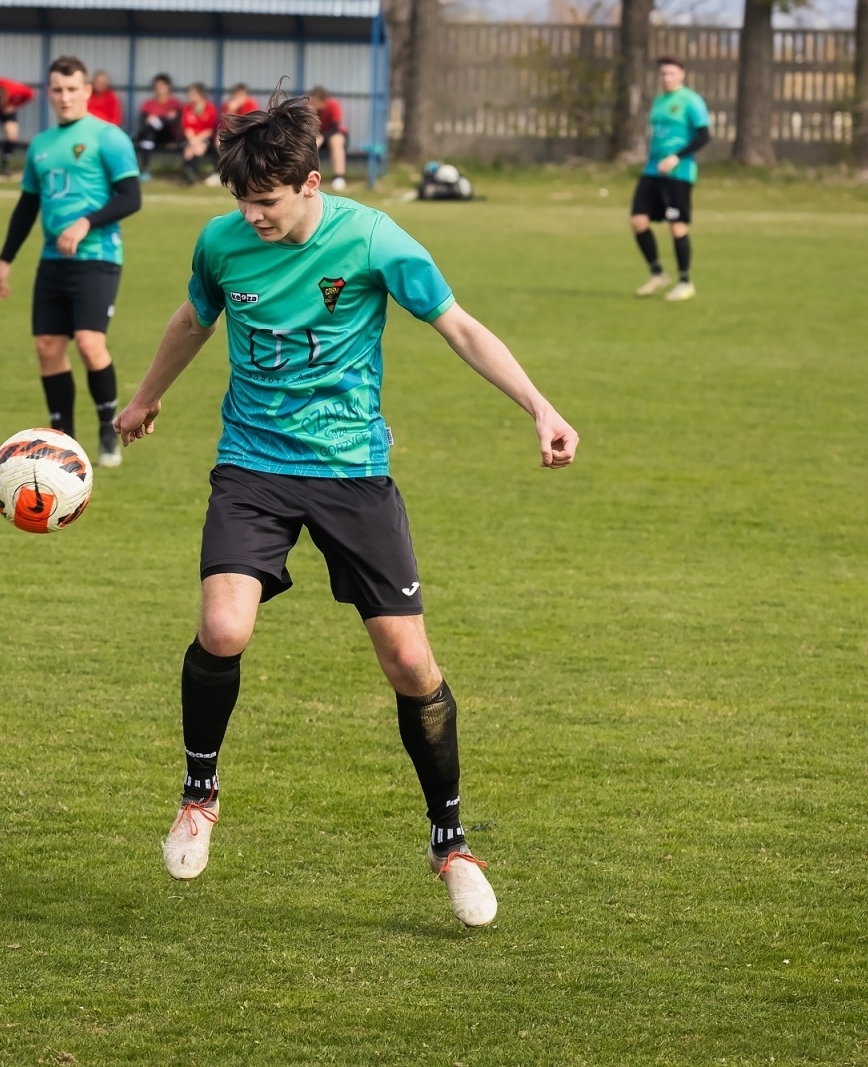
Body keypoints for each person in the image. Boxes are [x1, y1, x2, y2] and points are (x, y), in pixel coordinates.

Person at [112, 90, 579, 927]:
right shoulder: (222, 242)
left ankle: (452, 842)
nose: (250, 217)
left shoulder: (370, 238)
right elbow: (194, 317)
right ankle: (198, 795)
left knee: (409, 664)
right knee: (223, 628)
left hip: (351, 472)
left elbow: (459, 326)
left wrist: (539, 407)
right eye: (240, 201)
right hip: (251, 464)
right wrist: (145, 397)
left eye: (266, 201)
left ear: (310, 182)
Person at [0, 57, 143, 468]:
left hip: (98, 258)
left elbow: (131, 196)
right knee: (47, 348)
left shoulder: (107, 137)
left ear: (86, 91)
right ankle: (64, 441)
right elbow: (27, 206)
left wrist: (85, 222)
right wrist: (5, 260)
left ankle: (107, 431)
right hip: (52, 261)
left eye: (72, 89)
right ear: (49, 92)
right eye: (57, 89)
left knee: (91, 345)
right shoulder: (40, 145)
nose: (64, 97)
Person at [630, 56, 711, 302]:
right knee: (638, 221)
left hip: (679, 173)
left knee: (676, 226)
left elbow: (704, 136)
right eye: (663, 73)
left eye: (671, 73)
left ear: (682, 74)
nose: (666, 78)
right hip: (652, 170)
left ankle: (685, 282)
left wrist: (677, 157)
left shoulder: (691, 100)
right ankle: (657, 273)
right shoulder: (658, 101)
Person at [134, 74, 183, 180]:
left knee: (155, 123)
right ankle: (145, 171)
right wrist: (164, 117)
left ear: (168, 87)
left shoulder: (175, 103)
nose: (159, 89)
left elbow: (175, 122)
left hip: (169, 135)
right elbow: (143, 122)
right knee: (148, 135)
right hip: (152, 135)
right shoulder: (148, 104)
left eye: (162, 86)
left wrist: (158, 119)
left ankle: (136, 135)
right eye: (157, 86)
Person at [308, 86, 348, 191]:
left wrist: (322, 137)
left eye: (315, 101)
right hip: (318, 137)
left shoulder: (333, 105)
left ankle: (339, 177)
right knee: (308, 142)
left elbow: (335, 127)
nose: (313, 103)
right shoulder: (309, 107)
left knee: (336, 140)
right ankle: (306, 175)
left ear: (323, 100)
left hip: (333, 135)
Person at [180, 82, 219, 184]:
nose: (189, 95)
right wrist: (192, 141)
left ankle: (191, 174)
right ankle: (188, 175)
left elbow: (210, 130)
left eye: (191, 93)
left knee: (198, 148)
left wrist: (197, 141)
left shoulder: (210, 108)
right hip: (190, 139)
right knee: (189, 149)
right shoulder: (187, 108)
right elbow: (187, 128)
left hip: (204, 139)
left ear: (200, 94)